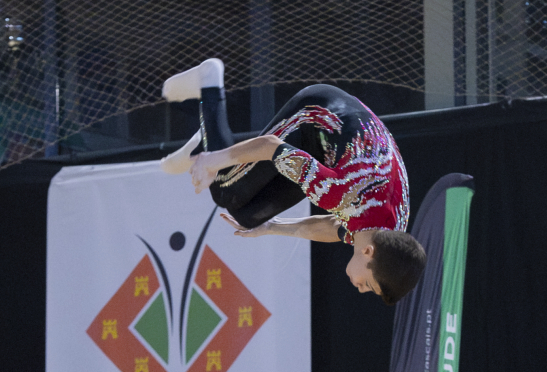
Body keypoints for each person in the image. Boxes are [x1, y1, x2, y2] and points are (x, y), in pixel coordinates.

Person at [160, 57, 427, 305]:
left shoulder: (390, 232)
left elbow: (336, 227)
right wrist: (213, 161)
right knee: (226, 191)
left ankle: (207, 144)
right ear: (368, 253)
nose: (360, 289)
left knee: (250, 217)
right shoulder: (337, 193)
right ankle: (210, 84)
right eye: (368, 284)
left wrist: (273, 227)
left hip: (334, 151)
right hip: (314, 116)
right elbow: (269, 146)